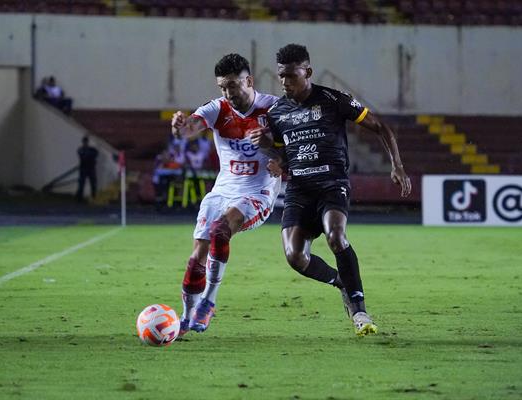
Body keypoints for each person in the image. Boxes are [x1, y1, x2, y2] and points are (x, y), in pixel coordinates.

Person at [254, 44, 412, 336]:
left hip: (331, 184)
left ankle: (359, 309)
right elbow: (284, 155)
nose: (285, 82)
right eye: (281, 77)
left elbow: (381, 128)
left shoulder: (333, 99)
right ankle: (341, 281)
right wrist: (275, 159)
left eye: (291, 75)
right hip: (299, 190)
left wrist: (397, 165)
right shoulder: (277, 113)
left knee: (336, 237)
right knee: (295, 257)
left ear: (308, 72)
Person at [172, 53, 280, 336]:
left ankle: (209, 301)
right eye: (222, 87)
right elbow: (190, 128)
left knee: (221, 230)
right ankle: (185, 317)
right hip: (221, 191)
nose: (228, 93)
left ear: (249, 81)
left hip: (257, 192)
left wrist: (280, 156)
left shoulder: (274, 108)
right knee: (196, 258)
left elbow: (295, 145)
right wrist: (181, 128)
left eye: (232, 85)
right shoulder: (217, 109)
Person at [76, 136, 99, 202]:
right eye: (84, 142)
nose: (85, 143)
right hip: (84, 169)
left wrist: (88, 155)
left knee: (92, 184)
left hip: (90, 168)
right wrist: (89, 156)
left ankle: (93, 197)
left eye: (86, 142)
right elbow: (84, 155)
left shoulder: (91, 149)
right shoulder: (81, 149)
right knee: (82, 184)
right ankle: (79, 198)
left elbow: (95, 154)